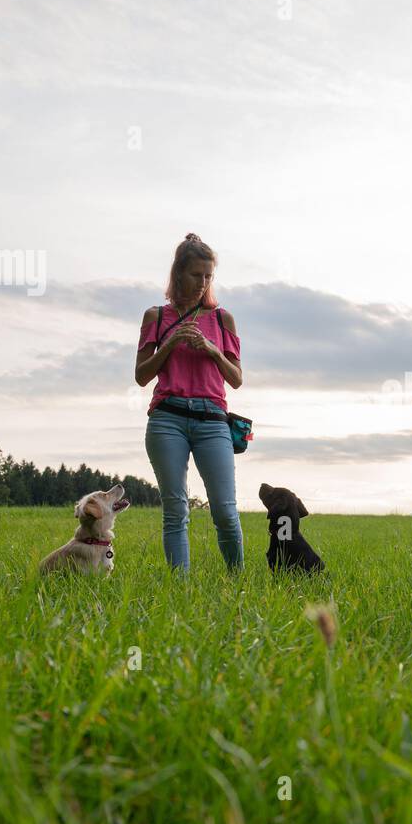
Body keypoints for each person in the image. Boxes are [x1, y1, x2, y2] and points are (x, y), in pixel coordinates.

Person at [134, 233, 244, 571]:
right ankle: (180, 590)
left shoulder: (222, 319)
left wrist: (211, 350)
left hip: (213, 421)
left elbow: (236, 379)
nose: (203, 282)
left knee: (225, 510)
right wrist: (169, 344)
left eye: (209, 276)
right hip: (168, 419)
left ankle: (237, 581)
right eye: (196, 274)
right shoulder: (156, 316)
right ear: (178, 273)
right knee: (176, 509)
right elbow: (141, 376)